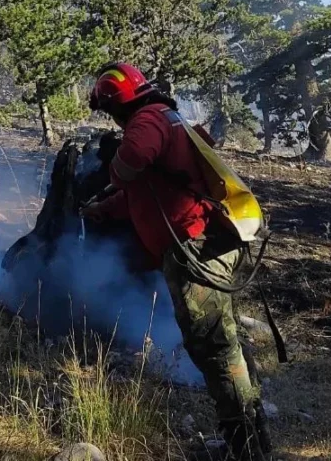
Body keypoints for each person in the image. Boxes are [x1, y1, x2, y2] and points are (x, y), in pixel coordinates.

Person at [81, 62, 269, 461]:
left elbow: (131, 163)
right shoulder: (167, 118)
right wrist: (104, 208)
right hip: (203, 241)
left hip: (194, 246)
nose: (112, 120)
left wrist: (113, 164)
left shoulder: (147, 119)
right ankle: (252, 437)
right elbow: (147, 191)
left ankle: (245, 448)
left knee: (215, 347)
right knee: (225, 341)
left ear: (117, 104)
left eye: (109, 110)